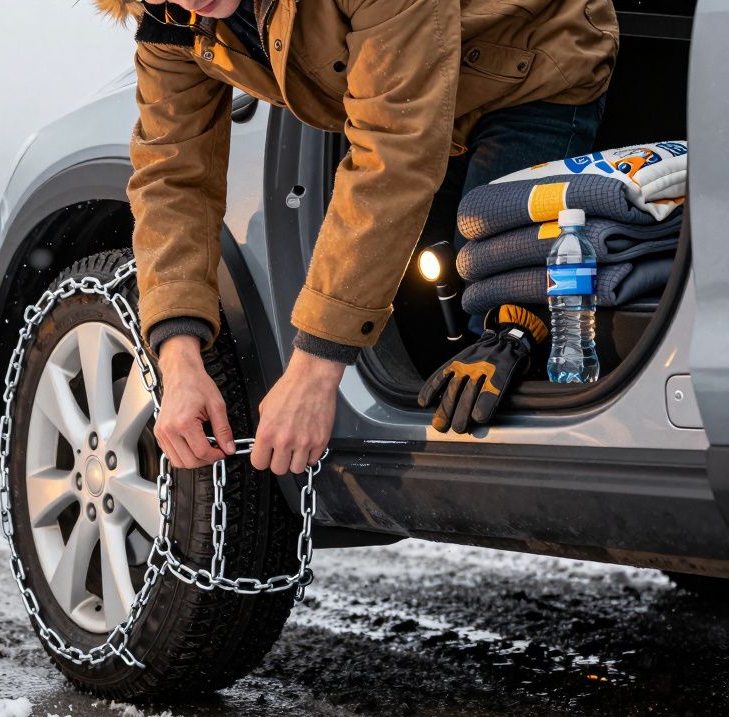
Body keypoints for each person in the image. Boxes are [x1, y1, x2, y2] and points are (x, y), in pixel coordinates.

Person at [99, 0, 617, 473]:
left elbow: (392, 155)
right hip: (414, 98)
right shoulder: (170, 19)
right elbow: (172, 181)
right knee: (422, 298)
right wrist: (179, 361)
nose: (190, 1)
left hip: (526, 68)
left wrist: (313, 373)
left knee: (499, 283)